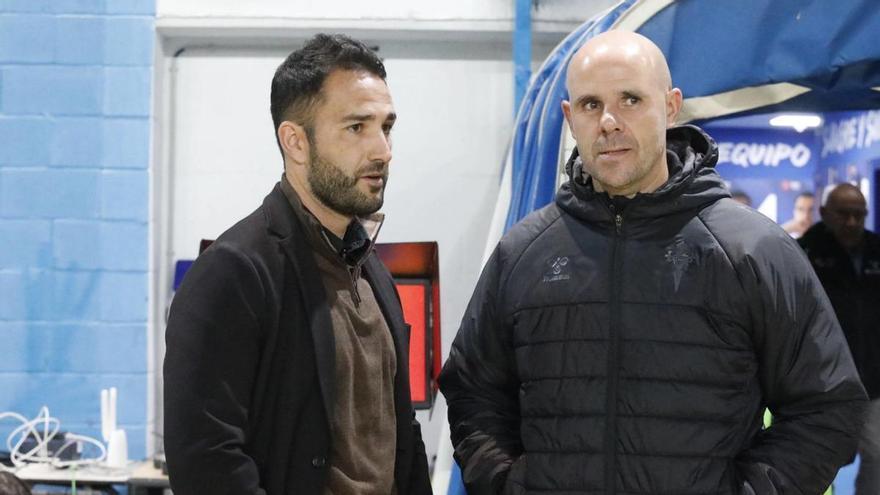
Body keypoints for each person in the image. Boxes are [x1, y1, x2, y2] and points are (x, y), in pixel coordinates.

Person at [439, 30, 866, 495]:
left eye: (629, 99)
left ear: (670, 106)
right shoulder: (523, 253)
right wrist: (509, 483)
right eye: (589, 104)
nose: (608, 122)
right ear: (569, 117)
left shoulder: (753, 250)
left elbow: (827, 406)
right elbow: (472, 392)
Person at [163, 34, 432, 495]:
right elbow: (206, 460)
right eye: (356, 127)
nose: (382, 150)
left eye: (386, 126)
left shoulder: (373, 273)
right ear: (296, 142)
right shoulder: (235, 272)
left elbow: (401, 434)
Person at [799, 183, 880, 494]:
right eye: (843, 214)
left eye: (859, 215)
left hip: (873, 379)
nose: (852, 222)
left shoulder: (876, 250)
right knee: (819, 458)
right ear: (824, 214)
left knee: (877, 456)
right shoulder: (805, 252)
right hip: (820, 382)